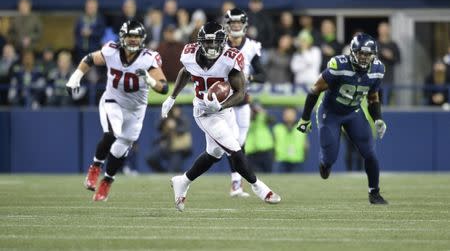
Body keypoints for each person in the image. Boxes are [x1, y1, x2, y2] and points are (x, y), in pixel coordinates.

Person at [161, 21, 281, 211]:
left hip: (225, 111)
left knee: (214, 153)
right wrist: (172, 97)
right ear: (200, 42)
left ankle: (182, 181)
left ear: (223, 41)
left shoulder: (230, 58)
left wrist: (221, 106)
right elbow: (185, 72)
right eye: (207, 43)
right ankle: (260, 187)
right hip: (204, 112)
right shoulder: (190, 54)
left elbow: (240, 92)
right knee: (234, 149)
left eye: (215, 42)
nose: (211, 46)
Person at [66, 20, 168, 201]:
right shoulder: (111, 50)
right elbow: (89, 59)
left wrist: (150, 81)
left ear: (142, 38)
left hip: (136, 110)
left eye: (137, 36)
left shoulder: (148, 58)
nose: (134, 40)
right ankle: (95, 167)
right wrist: (76, 77)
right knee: (113, 133)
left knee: (121, 149)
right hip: (113, 101)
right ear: (122, 37)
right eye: (130, 36)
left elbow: (164, 87)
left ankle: (107, 181)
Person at [297, 33, 388, 205]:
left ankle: (374, 193)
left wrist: (378, 118)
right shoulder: (339, 65)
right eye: (361, 53)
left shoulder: (378, 69)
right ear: (353, 52)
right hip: (330, 113)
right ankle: (325, 163)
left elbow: (373, 97)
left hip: (353, 112)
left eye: (368, 54)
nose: (364, 57)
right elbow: (315, 90)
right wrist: (304, 118)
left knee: (370, 152)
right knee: (330, 158)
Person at [222, 8, 267, 197]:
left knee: (240, 142)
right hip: (225, 102)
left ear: (244, 25)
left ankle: (237, 183)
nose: (236, 26)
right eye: (233, 24)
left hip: (243, 101)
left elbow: (263, 75)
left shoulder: (251, 46)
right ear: (227, 25)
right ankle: (236, 184)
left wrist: (249, 76)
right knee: (231, 144)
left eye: (238, 24)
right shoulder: (220, 46)